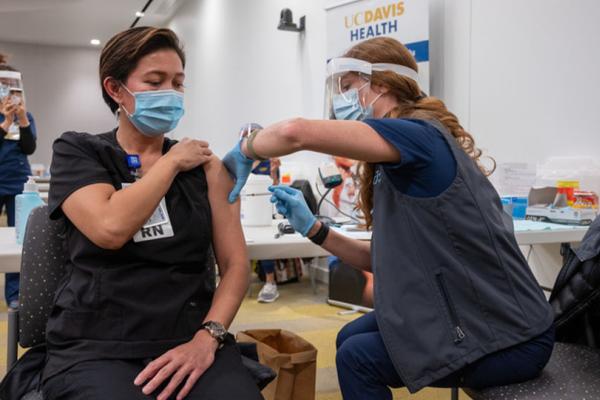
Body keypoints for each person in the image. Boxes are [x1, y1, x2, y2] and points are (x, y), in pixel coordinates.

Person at [223, 37, 554, 399]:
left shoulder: (418, 137)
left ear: (380, 84)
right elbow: (382, 261)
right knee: (349, 337)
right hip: (477, 314)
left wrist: (245, 148)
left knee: (356, 358)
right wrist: (315, 230)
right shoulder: (399, 158)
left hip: (511, 335)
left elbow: (293, 132)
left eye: (349, 87)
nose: (345, 100)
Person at [43, 27, 262, 400]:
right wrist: (171, 162)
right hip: (97, 345)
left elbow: (236, 265)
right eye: (155, 81)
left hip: (189, 336)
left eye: (178, 83)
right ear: (115, 90)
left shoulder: (207, 169)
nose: (171, 94)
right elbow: (110, 228)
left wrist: (207, 338)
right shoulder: (79, 152)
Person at [0, 54, 37, 310]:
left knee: (19, 241)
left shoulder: (28, 117)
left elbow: (29, 147)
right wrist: (5, 124)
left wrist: (21, 121)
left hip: (18, 185)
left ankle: (15, 294)